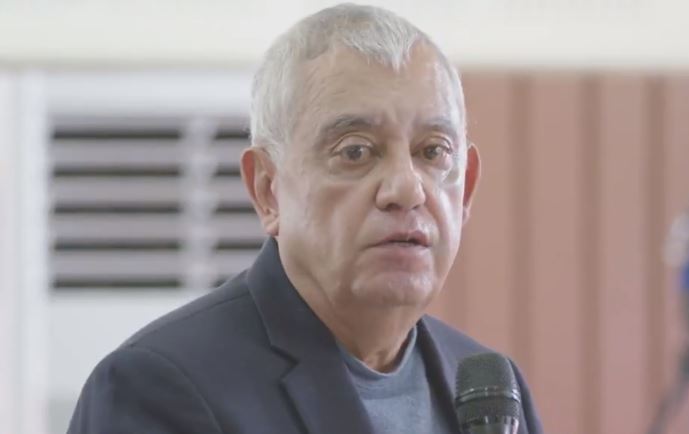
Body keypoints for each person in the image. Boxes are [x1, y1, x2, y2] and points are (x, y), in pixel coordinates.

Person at [68, 4, 543, 434]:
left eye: (433, 152)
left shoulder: (489, 390)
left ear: (467, 188)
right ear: (267, 190)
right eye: (355, 151)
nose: (407, 188)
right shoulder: (157, 387)